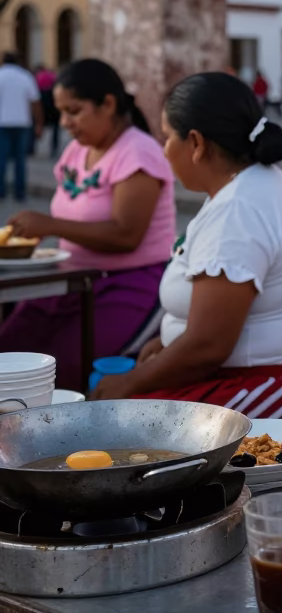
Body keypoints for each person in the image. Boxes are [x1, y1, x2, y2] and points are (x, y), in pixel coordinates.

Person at [91, 73, 282, 423]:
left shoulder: (240, 209)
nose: (163, 150)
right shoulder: (241, 187)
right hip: (239, 377)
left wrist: (129, 382)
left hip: (273, 384)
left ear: (196, 143)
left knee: (121, 429)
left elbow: (209, 346)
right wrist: (167, 345)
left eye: (166, 138)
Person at [0, 60, 175, 389]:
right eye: (61, 112)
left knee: (59, 370)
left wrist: (50, 225)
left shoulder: (138, 152)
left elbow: (126, 235)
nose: (65, 122)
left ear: (108, 104)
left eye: (75, 111)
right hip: (69, 279)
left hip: (129, 284)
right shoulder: (76, 151)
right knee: (11, 354)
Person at [0, 53, 42, 201]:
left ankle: (1, 191)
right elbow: (35, 102)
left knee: (1, 159)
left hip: (2, 123)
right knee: (20, 160)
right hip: (22, 122)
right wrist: (39, 124)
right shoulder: (26, 76)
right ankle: (20, 192)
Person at [34, 64, 60, 158]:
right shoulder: (52, 76)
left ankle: (32, 148)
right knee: (55, 128)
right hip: (53, 102)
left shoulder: (38, 76)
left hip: (42, 102)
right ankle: (54, 147)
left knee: (37, 125)